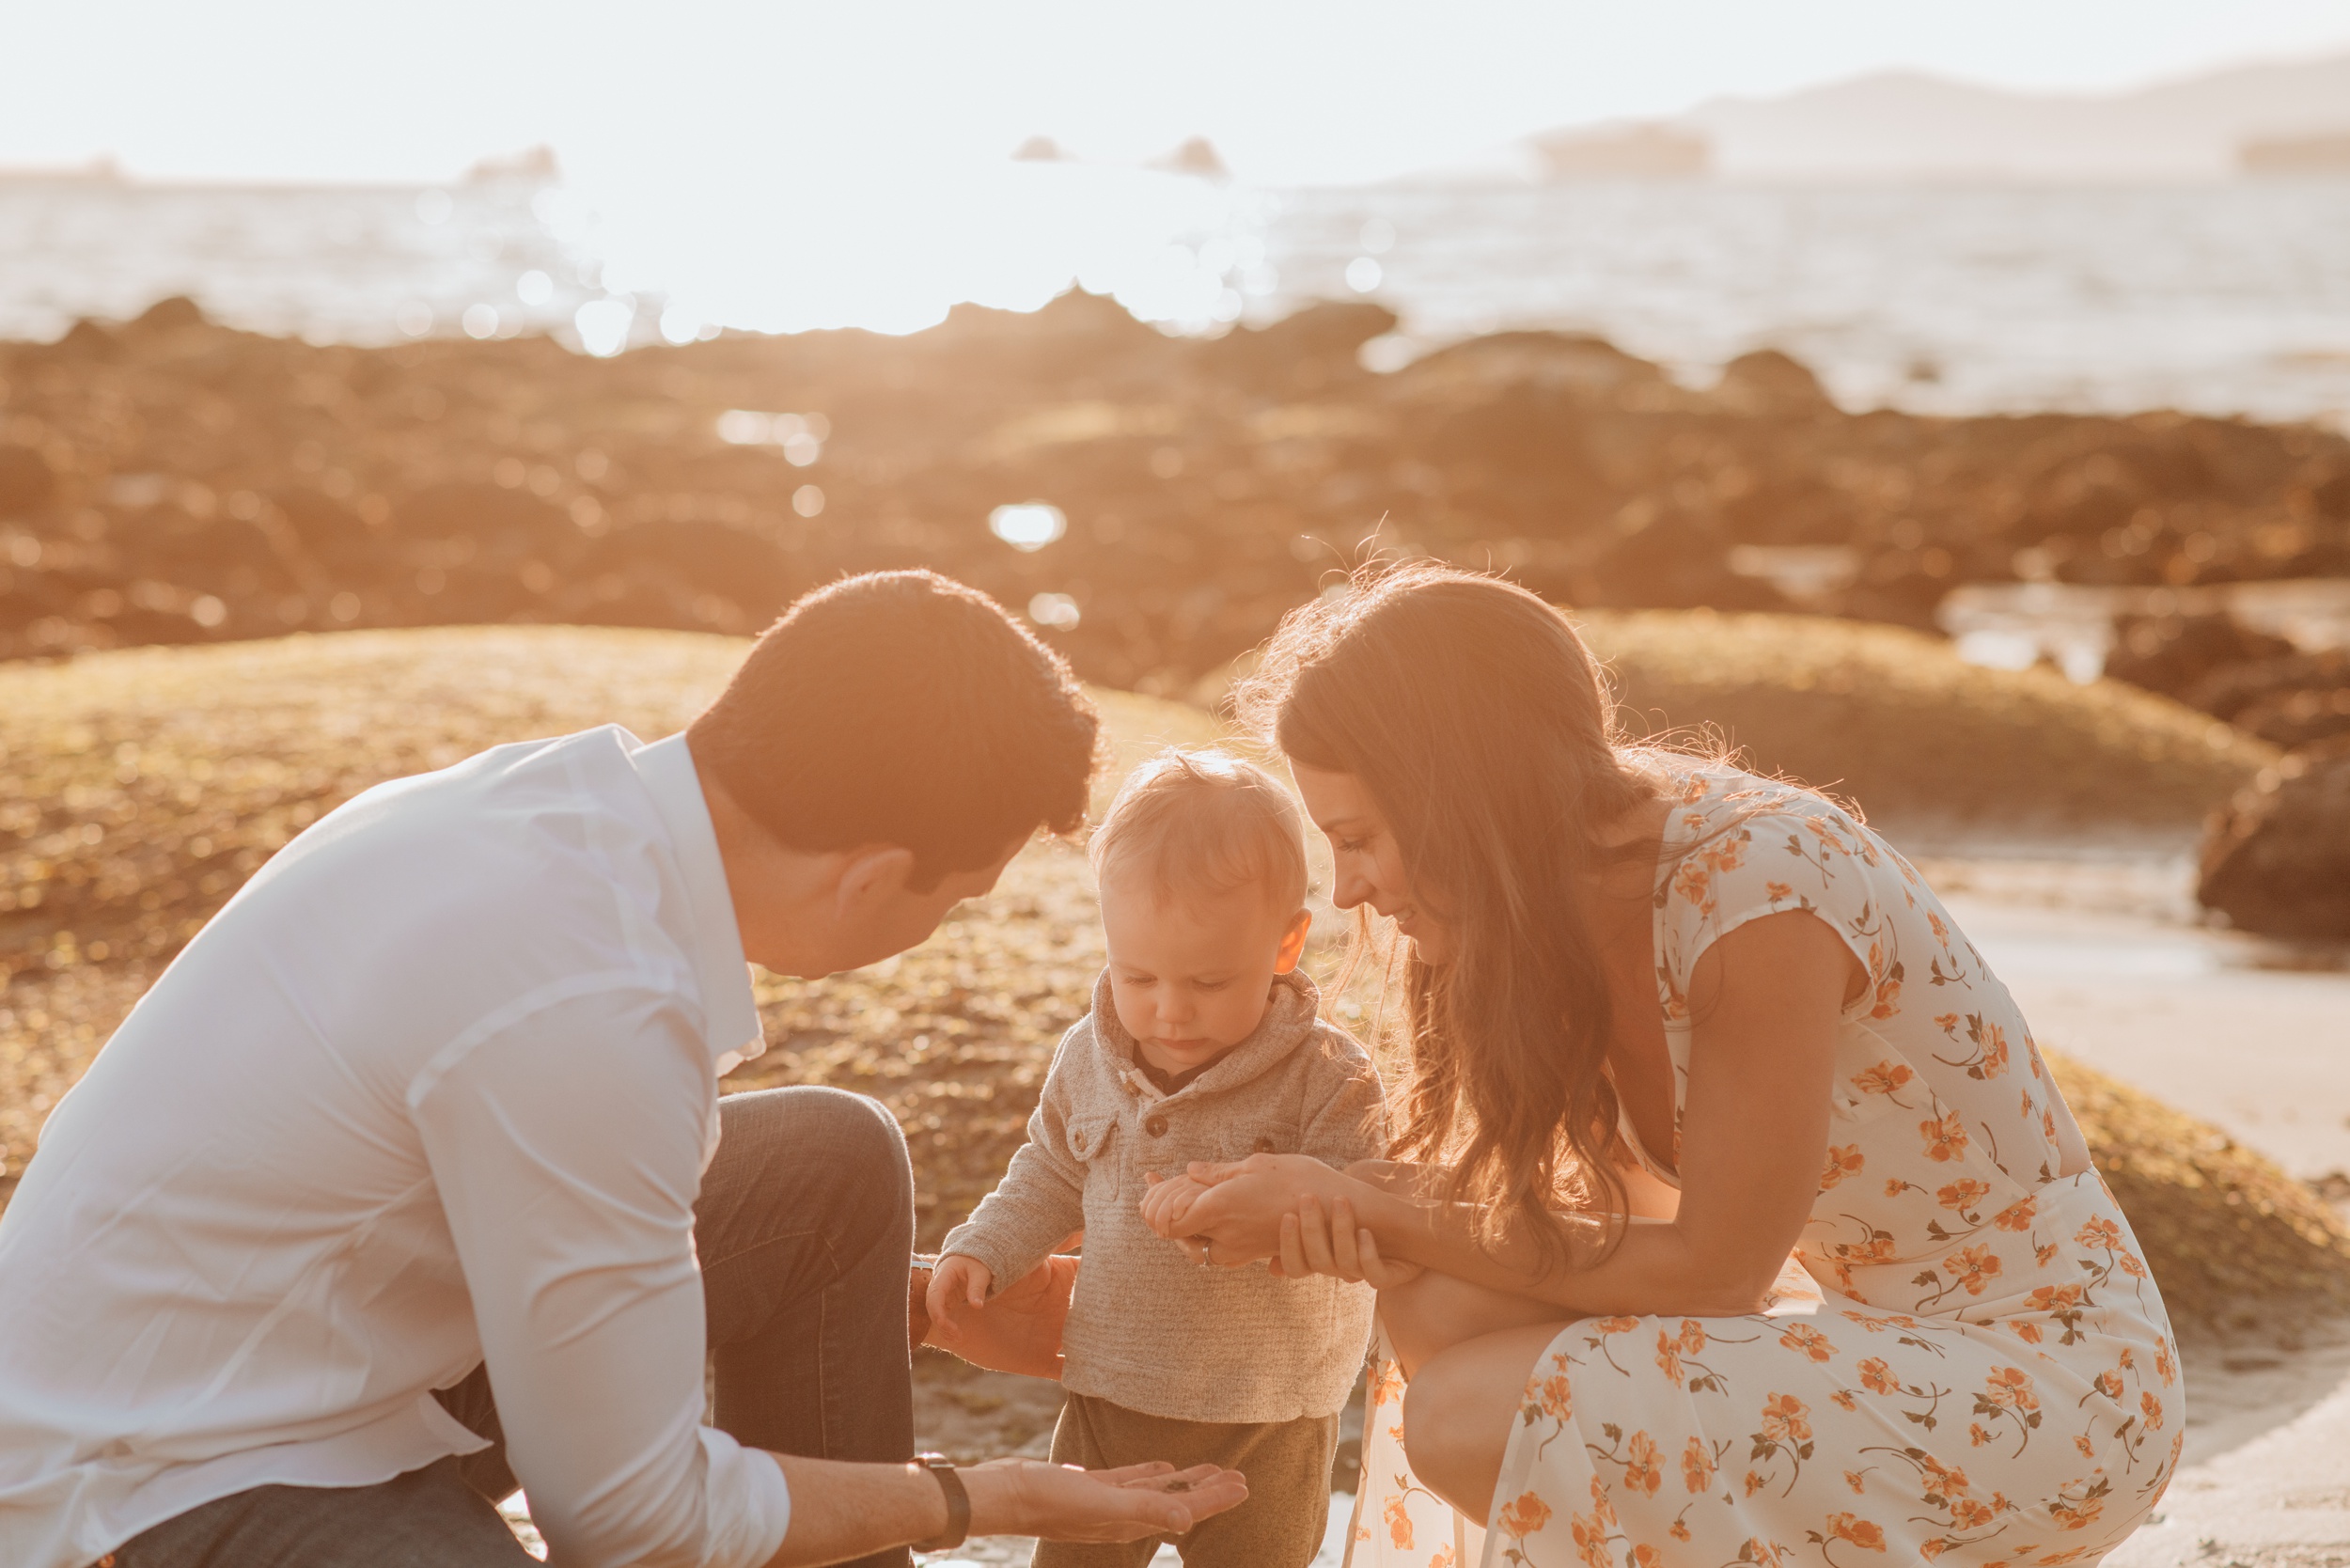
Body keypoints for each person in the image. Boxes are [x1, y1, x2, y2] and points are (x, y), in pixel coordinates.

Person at [0, 571, 1246, 1568]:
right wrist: (972, 1498)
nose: (948, 923)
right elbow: (631, 1524)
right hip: (157, 1473)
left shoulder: (569, 809)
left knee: (824, 1165)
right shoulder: (587, 1000)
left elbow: (550, 1205)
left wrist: (916, 1306)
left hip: (328, 1338)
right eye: (960, 899)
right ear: (870, 878)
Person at [1147, 564, 2181, 1567]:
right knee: (1436, 1295)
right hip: (1862, 1341)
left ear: (1459, 794)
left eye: (1359, 837)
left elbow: (1715, 1273)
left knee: (1467, 1416)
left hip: (2054, 1385)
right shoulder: (1556, 906)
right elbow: (1622, 1236)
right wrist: (1348, 1203)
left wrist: (1371, 1208)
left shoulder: (1757, 888)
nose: (1345, 892)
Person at [928, 750, 1386, 1568]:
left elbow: (1362, 1206)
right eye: (1138, 975)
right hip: (1115, 1389)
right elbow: (1050, 1168)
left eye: (1210, 982)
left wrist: (1262, 1209)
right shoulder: (1090, 1055)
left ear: (1286, 945)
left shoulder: (1329, 1076)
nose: (1171, 1012)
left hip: (1273, 1407)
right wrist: (984, 1246)